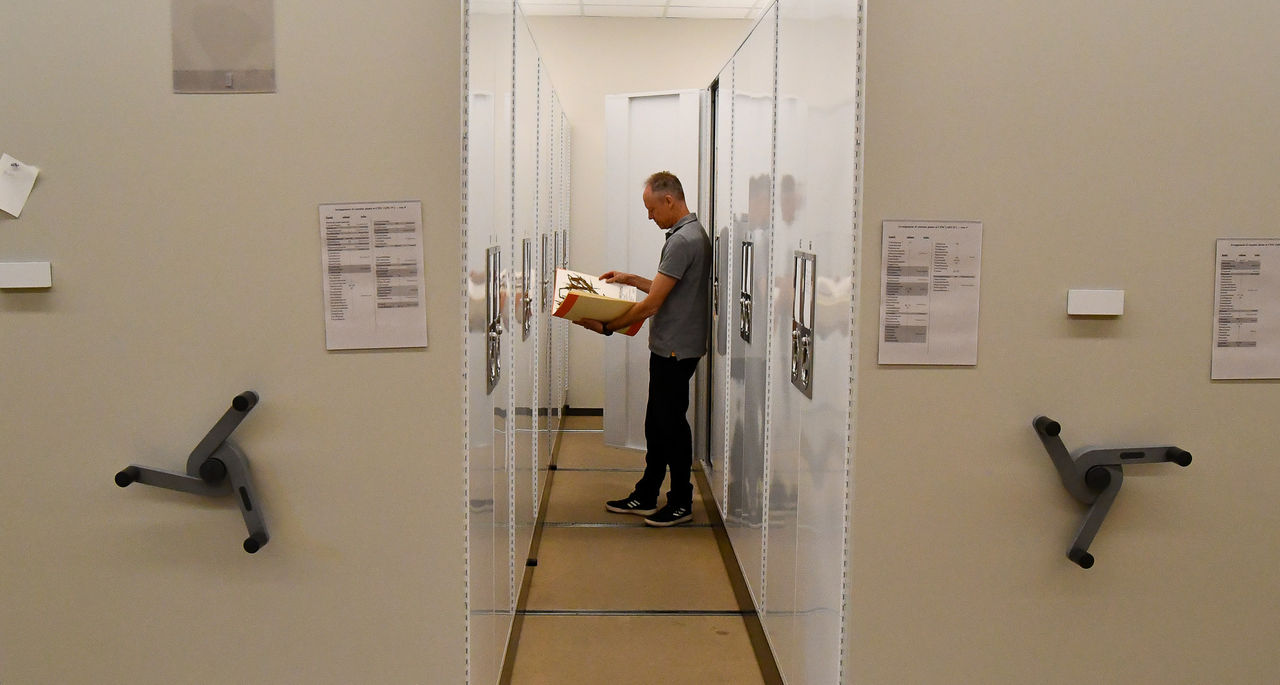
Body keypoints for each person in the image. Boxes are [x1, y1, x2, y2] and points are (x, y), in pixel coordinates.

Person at [576, 171, 711, 527]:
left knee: (671, 426)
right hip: (671, 346)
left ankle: (680, 500)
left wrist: (607, 326)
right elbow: (667, 290)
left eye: (652, 209)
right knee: (658, 423)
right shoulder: (689, 236)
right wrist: (630, 279)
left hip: (675, 351)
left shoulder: (684, 240)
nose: (650, 216)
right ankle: (648, 492)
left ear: (669, 200)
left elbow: (652, 305)